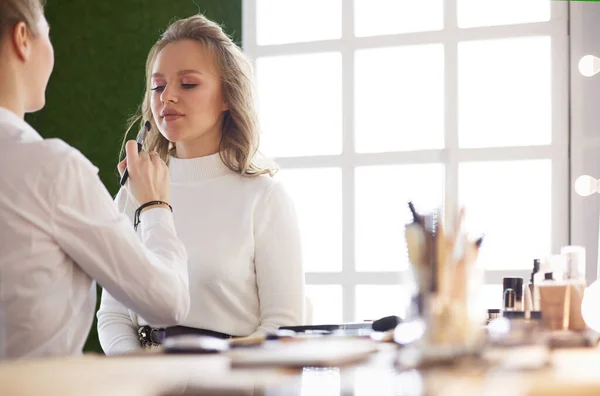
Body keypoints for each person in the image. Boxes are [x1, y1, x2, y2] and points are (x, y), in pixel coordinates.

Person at [97, 14, 304, 354]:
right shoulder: (135, 191)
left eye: (188, 84)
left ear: (227, 97)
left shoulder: (264, 199)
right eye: (158, 86)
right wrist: (138, 378)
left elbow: (283, 326)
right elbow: (113, 315)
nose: (167, 97)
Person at [0, 0, 190, 359]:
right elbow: (170, 303)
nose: (169, 98)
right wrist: (155, 206)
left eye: (189, 83)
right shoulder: (52, 170)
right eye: (49, 32)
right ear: (22, 38)